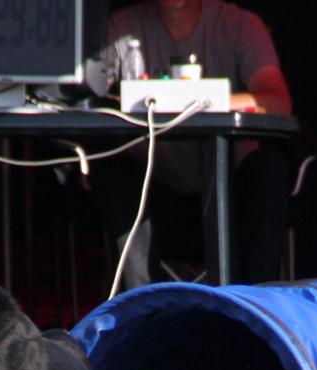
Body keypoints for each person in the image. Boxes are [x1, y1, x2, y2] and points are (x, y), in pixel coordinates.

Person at [98, 0, 293, 288]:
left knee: (268, 169)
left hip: (232, 200)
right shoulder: (120, 28)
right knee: (111, 172)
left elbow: (277, 102)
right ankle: (142, 314)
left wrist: (194, 101)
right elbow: (82, 98)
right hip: (155, 203)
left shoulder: (240, 25)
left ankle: (253, 313)